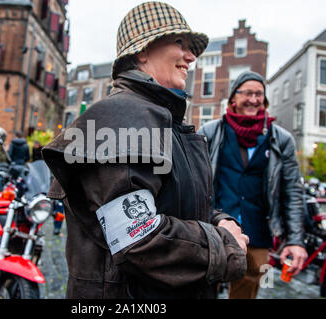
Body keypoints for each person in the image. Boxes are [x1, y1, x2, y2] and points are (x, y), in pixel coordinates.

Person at [42, 1, 248, 299]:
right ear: (142, 51)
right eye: (180, 42)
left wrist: (219, 220)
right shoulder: (122, 119)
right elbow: (139, 237)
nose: (191, 56)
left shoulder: (160, 119)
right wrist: (223, 245)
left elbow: (174, 203)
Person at [198, 70, 308, 299]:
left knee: (248, 290)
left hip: (258, 232)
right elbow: (194, 181)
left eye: (259, 94)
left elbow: (293, 192)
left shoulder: (282, 139)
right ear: (233, 98)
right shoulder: (210, 132)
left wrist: (296, 240)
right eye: (247, 92)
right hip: (214, 227)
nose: (254, 99)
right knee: (204, 286)